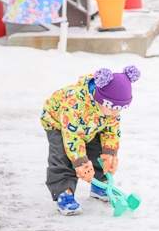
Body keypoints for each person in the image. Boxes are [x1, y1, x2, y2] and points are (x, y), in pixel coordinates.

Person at [40, 65, 141, 216]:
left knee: (99, 147)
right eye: (113, 108)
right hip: (60, 124)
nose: (116, 113)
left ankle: (100, 186)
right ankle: (63, 192)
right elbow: (72, 137)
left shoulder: (110, 110)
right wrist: (81, 163)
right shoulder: (75, 105)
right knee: (63, 155)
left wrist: (109, 153)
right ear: (100, 99)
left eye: (120, 109)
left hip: (91, 124)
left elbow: (112, 130)